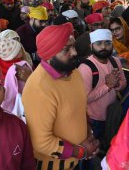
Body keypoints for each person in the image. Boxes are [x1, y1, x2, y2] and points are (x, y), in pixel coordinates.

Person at [22, 23, 99, 170]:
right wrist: (81, 151)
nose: (75, 52)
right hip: (54, 166)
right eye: (66, 49)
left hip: (76, 160)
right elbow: (41, 142)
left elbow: (79, 108)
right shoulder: (39, 88)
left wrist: (89, 134)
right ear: (50, 54)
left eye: (73, 46)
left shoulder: (73, 72)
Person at [78, 29, 126, 140]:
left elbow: (123, 83)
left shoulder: (115, 61)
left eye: (107, 43)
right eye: (99, 43)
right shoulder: (86, 68)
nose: (103, 47)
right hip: (93, 119)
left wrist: (117, 84)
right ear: (91, 46)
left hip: (112, 114)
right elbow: (85, 98)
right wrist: (108, 86)